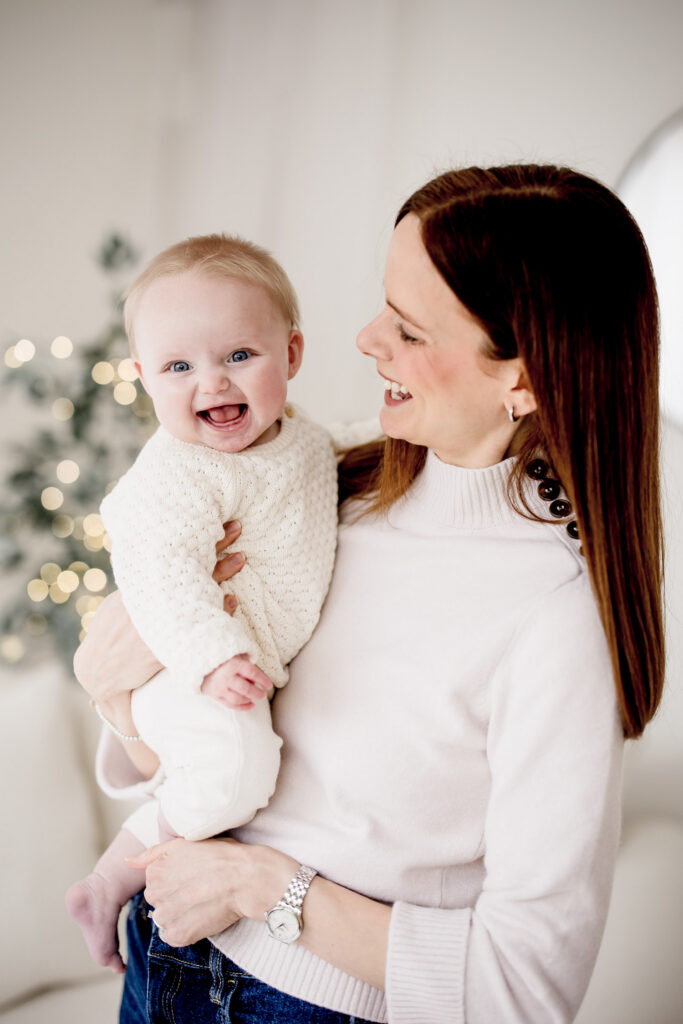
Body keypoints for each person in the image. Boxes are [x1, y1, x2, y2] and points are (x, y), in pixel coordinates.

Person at [74, 164, 664, 1024]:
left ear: (525, 379)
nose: (364, 339)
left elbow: (525, 990)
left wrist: (261, 884)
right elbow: (196, 749)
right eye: (383, 307)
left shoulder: (552, 616)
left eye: (409, 329)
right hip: (160, 956)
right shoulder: (321, 484)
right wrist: (120, 704)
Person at [66, 234, 338, 974]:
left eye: (238, 355)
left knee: (229, 770)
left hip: (232, 663)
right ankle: (115, 880)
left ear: (292, 352)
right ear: (144, 379)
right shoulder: (177, 473)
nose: (211, 382)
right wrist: (213, 658)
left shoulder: (302, 440)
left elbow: (329, 467)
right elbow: (161, 578)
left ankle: (109, 879)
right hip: (184, 664)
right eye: (178, 367)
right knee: (235, 771)